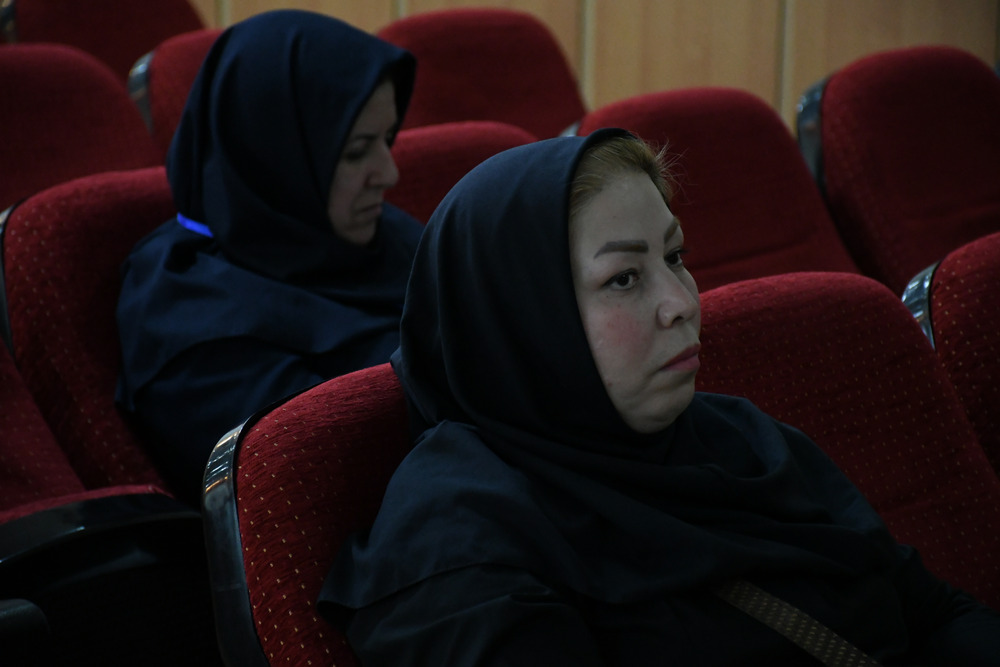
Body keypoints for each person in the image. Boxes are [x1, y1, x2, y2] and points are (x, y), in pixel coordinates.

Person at [317, 129, 1000, 665]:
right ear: (522, 319)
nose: (682, 303)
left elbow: (934, 614)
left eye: (674, 258)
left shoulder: (738, 437)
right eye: (623, 278)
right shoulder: (459, 559)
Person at [115, 10, 421, 506]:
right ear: (275, 153)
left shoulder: (376, 233)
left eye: (387, 141)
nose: (389, 174)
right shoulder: (191, 324)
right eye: (356, 152)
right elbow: (330, 477)